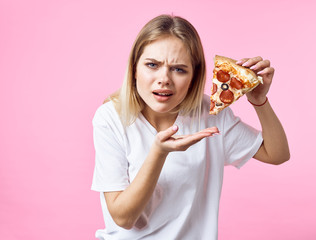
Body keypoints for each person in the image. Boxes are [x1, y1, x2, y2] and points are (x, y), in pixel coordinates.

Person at [91, 14, 290, 240]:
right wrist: (159, 153)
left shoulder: (210, 112)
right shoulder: (110, 118)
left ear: (194, 77)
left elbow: (277, 154)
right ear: (134, 68)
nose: (164, 78)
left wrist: (259, 100)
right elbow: (123, 218)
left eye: (179, 69)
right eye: (152, 65)